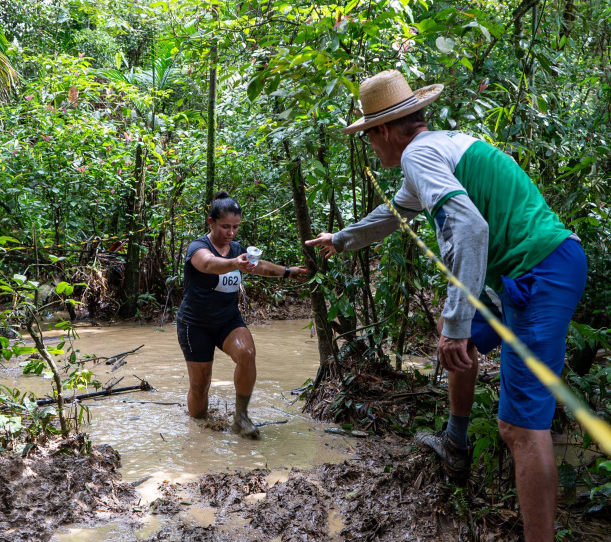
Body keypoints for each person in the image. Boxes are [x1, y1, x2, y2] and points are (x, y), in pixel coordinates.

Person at [305, 70, 586, 541]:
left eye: (369, 138)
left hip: (540, 272)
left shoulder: (418, 155)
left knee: (519, 427)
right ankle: (456, 440)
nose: (371, 148)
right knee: (460, 344)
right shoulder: (437, 147)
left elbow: (471, 230)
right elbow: (394, 214)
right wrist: (343, 238)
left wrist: (454, 324)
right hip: (530, 271)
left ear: (383, 130)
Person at [176, 191, 307, 438]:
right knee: (200, 386)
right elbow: (207, 264)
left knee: (247, 353)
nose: (231, 233)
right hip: (195, 325)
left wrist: (288, 271)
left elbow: (262, 266)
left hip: (227, 320)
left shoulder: (237, 249)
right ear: (211, 222)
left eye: (236, 227)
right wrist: (236, 263)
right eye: (225, 226)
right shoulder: (197, 247)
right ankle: (198, 435)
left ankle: (241, 418)